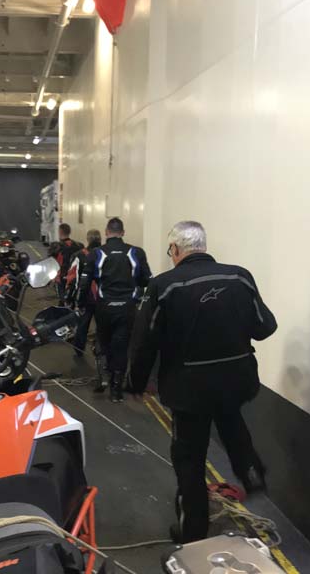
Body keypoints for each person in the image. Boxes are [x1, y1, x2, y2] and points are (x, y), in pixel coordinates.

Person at [128, 221, 277, 544]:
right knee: (230, 418)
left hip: (188, 389)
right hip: (236, 381)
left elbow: (144, 342)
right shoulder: (239, 277)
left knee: (189, 458)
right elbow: (265, 327)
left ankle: (192, 530)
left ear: (175, 250)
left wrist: (136, 383)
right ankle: (252, 474)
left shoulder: (163, 286)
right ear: (203, 246)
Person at [77, 217, 150, 402]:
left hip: (104, 307)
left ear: (106, 232)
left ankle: (106, 376)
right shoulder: (136, 252)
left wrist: (80, 302)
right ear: (123, 233)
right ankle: (116, 389)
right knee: (122, 346)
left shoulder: (96, 253)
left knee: (104, 342)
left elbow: (84, 283)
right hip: (127, 307)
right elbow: (146, 280)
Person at [64, 229, 101, 360]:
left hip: (85, 296)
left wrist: (70, 297)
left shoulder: (79, 255)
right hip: (103, 296)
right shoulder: (105, 254)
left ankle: (79, 350)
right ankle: (100, 349)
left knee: (83, 324)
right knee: (102, 325)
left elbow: (72, 277)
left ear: (88, 239)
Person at [51, 223, 83, 305]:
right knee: (72, 297)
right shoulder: (79, 245)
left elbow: (51, 262)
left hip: (62, 276)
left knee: (63, 299)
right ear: (69, 232)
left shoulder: (56, 246)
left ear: (60, 232)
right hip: (74, 276)